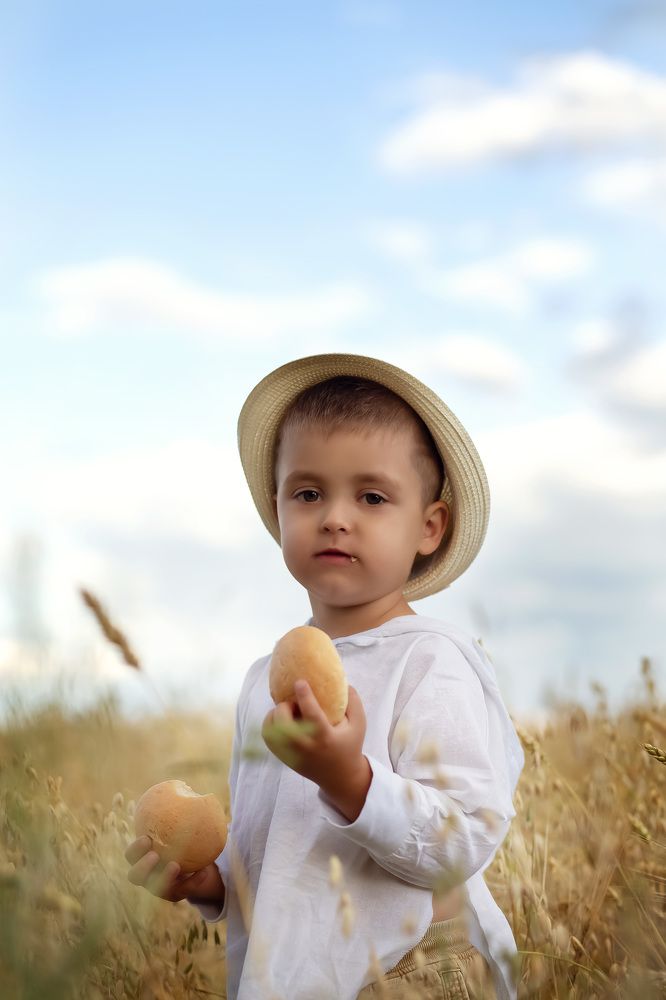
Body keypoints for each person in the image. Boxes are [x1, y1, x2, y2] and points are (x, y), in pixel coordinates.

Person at [125, 352, 525, 1000]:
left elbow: (464, 839)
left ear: (429, 526)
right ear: (277, 507)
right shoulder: (266, 681)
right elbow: (274, 852)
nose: (336, 516)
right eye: (309, 493)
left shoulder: (431, 660)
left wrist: (351, 781)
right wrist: (211, 883)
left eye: (371, 496)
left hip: (409, 975)